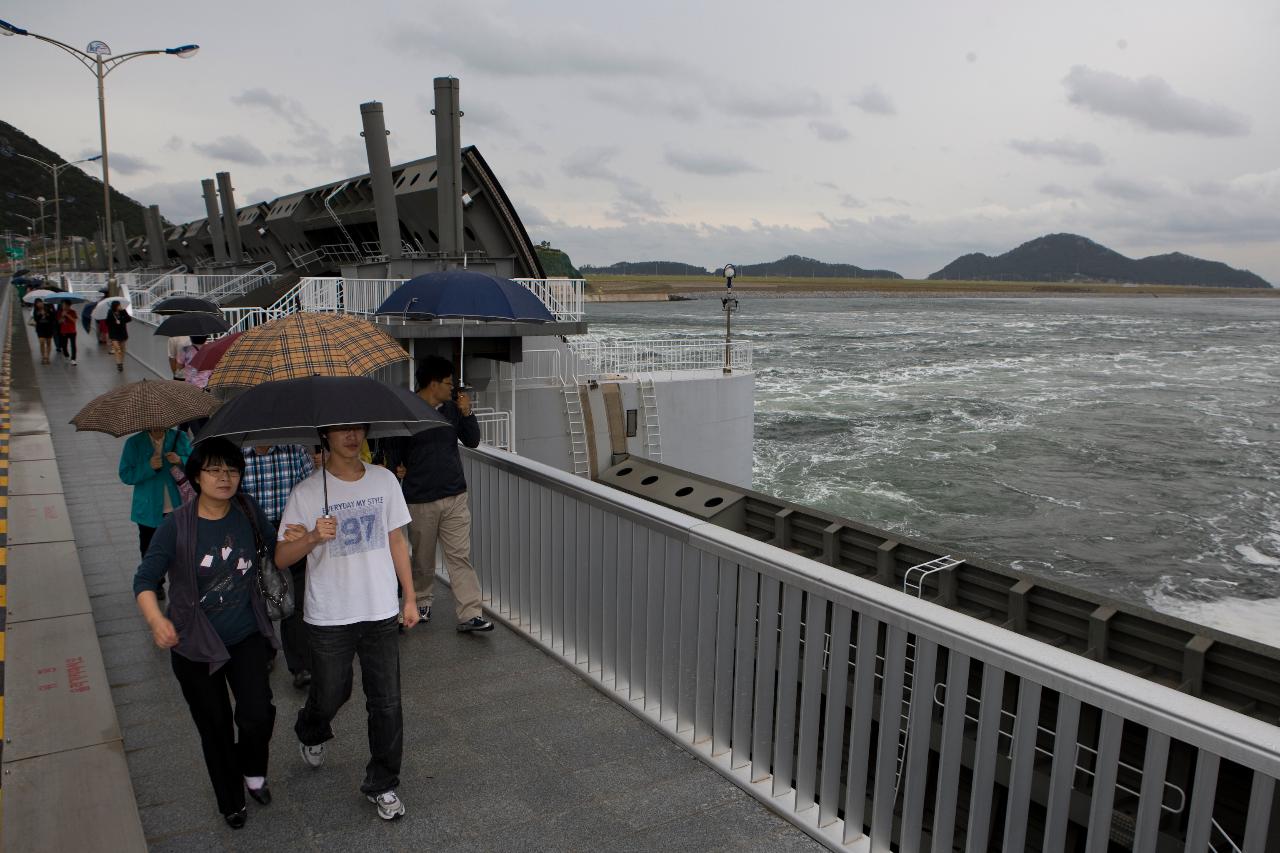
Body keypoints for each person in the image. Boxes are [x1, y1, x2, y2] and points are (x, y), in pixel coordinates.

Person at [132, 438, 279, 830]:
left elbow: (276, 553)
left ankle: (252, 769)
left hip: (246, 633)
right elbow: (145, 581)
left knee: (257, 714)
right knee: (215, 726)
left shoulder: (247, 511)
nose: (224, 477)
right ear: (196, 476)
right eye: (214, 470)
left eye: (231, 470)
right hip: (194, 643)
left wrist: (311, 537)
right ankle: (231, 801)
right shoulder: (175, 525)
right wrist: (156, 620)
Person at [276, 424, 418, 821]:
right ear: (325, 437)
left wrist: (409, 596)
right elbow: (282, 558)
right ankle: (311, 727)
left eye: (358, 429)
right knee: (333, 692)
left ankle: (383, 783)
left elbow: (396, 541)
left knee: (387, 703)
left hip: (379, 611)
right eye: (342, 430)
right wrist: (312, 539)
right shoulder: (306, 492)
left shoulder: (385, 480)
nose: (351, 436)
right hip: (329, 615)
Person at [389, 356, 492, 633]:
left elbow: (472, 440)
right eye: (448, 383)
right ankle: (421, 602)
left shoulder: (453, 409)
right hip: (420, 497)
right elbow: (393, 449)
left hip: (455, 493)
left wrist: (467, 413)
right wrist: (394, 471)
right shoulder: (406, 410)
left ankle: (470, 613)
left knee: (460, 556)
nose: (453, 389)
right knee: (422, 557)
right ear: (433, 384)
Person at [240, 445, 315, 689]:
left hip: (290, 532)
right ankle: (265, 651)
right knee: (258, 596)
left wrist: (305, 527)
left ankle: (301, 665)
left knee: (294, 599)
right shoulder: (240, 455)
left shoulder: (295, 451)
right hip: (252, 534)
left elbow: (310, 490)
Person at [119, 426, 193, 600]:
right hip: (148, 509)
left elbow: (195, 463)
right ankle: (155, 582)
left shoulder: (179, 437)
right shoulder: (134, 443)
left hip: (178, 506)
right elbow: (125, 474)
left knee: (180, 547)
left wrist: (180, 459)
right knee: (150, 548)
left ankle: (181, 583)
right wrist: (148, 466)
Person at [105, 299, 130, 372]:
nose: (120, 306)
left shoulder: (122, 312)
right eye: (118, 305)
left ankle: (121, 363)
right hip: (114, 333)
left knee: (122, 349)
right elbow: (107, 323)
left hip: (122, 332)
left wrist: (123, 311)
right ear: (115, 306)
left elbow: (129, 319)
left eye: (120, 305)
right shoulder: (110, 313)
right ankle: (118, 363)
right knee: (117, 349)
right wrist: (114, 321)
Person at [31, 298, 56, 364]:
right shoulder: (36, 310)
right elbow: (36, 319)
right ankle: (43, 356)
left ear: (42, 302)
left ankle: (47, 357)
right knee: (41, 341)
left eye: (40, 303)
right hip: (40, 328)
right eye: (37, 304)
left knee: (48, 342)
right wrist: (40, 314)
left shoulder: (49, 307)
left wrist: (47, 314)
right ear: (36, 305)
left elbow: (53, 317)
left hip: (48, 327)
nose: (39, 304)